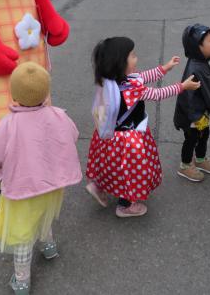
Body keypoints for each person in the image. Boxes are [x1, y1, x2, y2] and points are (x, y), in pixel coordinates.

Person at [0, 62, 81, 294]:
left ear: (14, 96)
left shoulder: (9, 124)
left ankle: (21, 280)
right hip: (52, 184)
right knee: (44, 214)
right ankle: (48, 246)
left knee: (22, 233)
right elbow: (73, 135)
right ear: (45, 93)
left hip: (23, 188)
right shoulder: (58, 115)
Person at [85, 37, 200, 217]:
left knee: (111, 164)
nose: (136, 58)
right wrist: (182, 86)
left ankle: (99, 185)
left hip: (110, 135)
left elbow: (144, 76)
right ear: (120, 62)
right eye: (132, 56)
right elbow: (157, 93)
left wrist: (165, 68)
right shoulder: (131, 88)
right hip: (128, 139)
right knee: (129, 170)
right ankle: (126, 206)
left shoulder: (111, 80)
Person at [173, 24, 210, 181]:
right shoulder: (194, 69)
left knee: (204, 135)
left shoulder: (201, 63)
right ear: (198, 47)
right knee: (191, 139)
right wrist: (196, 117)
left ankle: (200, 159)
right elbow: (187, 97)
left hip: (202, 114)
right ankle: (185, 166)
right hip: (193, 116)